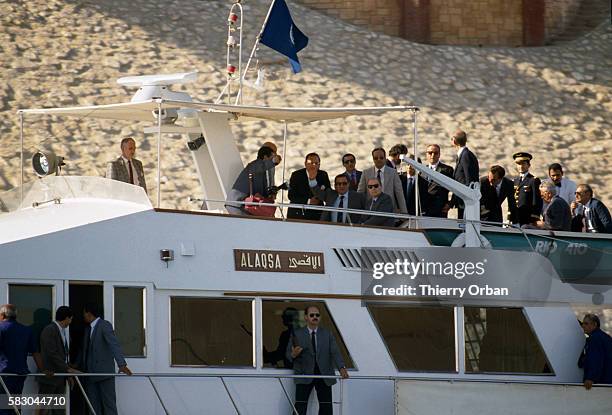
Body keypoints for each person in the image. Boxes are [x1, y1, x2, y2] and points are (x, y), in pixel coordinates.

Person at [286, 306, 348, 415]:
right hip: (304, 374)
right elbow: (288, 355)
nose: (315, 317)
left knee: (326, 408)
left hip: (324, 374)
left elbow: (335, 352)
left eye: (317, 315)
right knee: (300, 407)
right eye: (312, 315)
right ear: (306, 317)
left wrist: (342, 368)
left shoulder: (327, 333)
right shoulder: (297, 333)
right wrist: (293, 354)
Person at [80, 303, 132, 415]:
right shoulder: (88, 329)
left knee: (109, 405)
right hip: (90, 374)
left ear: (89, 313)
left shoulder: (104, 325)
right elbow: (85, 350)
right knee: (93, 406)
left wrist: (121, 364)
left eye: (84, 313)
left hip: (105, 373)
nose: (83, 315)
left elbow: (114, 344)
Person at [0, 304, 42, 414]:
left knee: (3, 407)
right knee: (15, 405)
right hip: (20, 374)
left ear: (3, 315)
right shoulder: (26, 330)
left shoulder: (1, 328)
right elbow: (35, 352)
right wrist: (43, 369)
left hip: (3, 373)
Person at [38, 306, 80, 414]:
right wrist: (67, 369)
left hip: (59, 377)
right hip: (50, 376)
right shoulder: (50, 329)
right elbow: (51, 353)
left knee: (58, 409)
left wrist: (67, 373)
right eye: (70, 319)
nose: (70, 322)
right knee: (44, 408)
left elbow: (62, 354)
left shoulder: (61, 331)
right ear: (66, 318)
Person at [225, 146, 279, 215]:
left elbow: (259, 192)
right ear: (265, 157)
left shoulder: (261, 171)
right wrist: (273, 162)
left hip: (243, 204)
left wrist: (270, 194)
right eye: (273, 156)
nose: (275, 158)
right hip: (238, 204)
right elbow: (263, 166)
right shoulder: (255, 164)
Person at [357, 148, 407, 214]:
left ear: (385, 158)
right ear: (373, 159)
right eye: (376, 158)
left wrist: (404, 212)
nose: (379, 160)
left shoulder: (393, 173)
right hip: (370, 211)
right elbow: (360, 193)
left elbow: (399, 193)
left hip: (389, 211)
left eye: (381, 157)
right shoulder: (366, 173)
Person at [288, 153, 331, 221]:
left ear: (319, 165)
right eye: (310, 162)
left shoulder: (323, 175)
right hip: (298, 214)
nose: (313, 165)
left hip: (317, 214)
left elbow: (328, 194)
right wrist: (308, 201)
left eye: (316, 163)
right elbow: (291, 196)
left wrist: (320, 197)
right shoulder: (296, 175)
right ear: (305, 163)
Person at [578, 314, 612, 390]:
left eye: (586, 324)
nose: (583, 326)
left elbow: (596, 359)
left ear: (594, 324)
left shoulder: (595, 338)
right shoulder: (605, 337)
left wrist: (590, 378)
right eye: (583, 324)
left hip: (601, 382)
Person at [450, 129, 479, 218]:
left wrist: (466, 197)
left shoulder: (465, 155)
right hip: (462, 199)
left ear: (454, 141)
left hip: (465, 201)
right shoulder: (463, 155)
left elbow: (469, 180)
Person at [510, 152, 542, 226]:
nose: (521, 166)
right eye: (518, 164)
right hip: (516, 219)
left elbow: (536, 201)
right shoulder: (514, 181)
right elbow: (512, 201)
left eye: (523, 164)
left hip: (527, 219)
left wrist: (534, 218)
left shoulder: (533, 180)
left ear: (528, 165)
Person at [423, 144, 453, 217]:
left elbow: (456, 189)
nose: (432, 155)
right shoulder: (422, 170)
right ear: (426, 154)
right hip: (424, 209)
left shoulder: (447, 170)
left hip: (440, 209)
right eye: (430, 153)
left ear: (439, 155)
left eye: (435, 153)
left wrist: (450, 203)